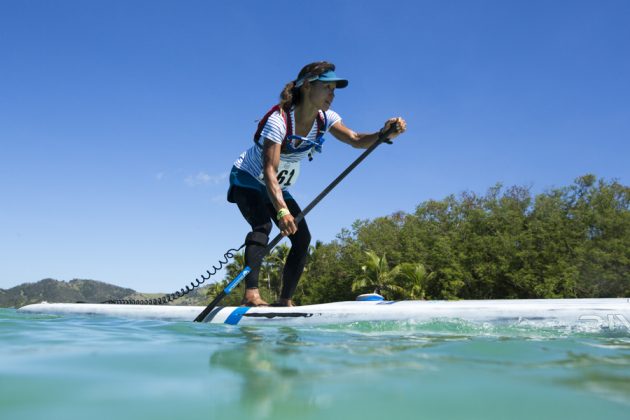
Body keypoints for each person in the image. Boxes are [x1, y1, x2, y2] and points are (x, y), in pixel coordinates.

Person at [227, 61, 406, 307]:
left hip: (277, 186)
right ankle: (251, 295)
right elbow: (269, 170)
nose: (332, 95)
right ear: (308, 86)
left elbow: (355, 139)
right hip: (247, 179)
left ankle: (284, 301)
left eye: (334, 90)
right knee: (263, 226)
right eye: (327, 88)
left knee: (302, 238)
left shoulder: (326, 119)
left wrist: (382, 134)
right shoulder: (278, 120)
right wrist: (281, 210)